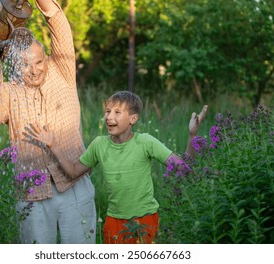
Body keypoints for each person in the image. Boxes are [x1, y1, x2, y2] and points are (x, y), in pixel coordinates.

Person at [0, 0, 96, 244]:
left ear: (47, 59)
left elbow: (61, 29)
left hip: (74, 184)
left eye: (39, 62)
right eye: (26, 64)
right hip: (31, 192)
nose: (34, 70)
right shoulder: (10, 89)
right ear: (17, 64)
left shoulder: (62, 71)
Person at [24, 90, 208, 244]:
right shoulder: (99, 145)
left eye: (117, 112)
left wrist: (192, 136)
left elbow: (183, 168)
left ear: (133, 119)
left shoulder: (145, 142)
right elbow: (72, 171)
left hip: (144, 220)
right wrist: (52, 144)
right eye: (107, 111)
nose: (109, 117)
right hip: (113, 221)